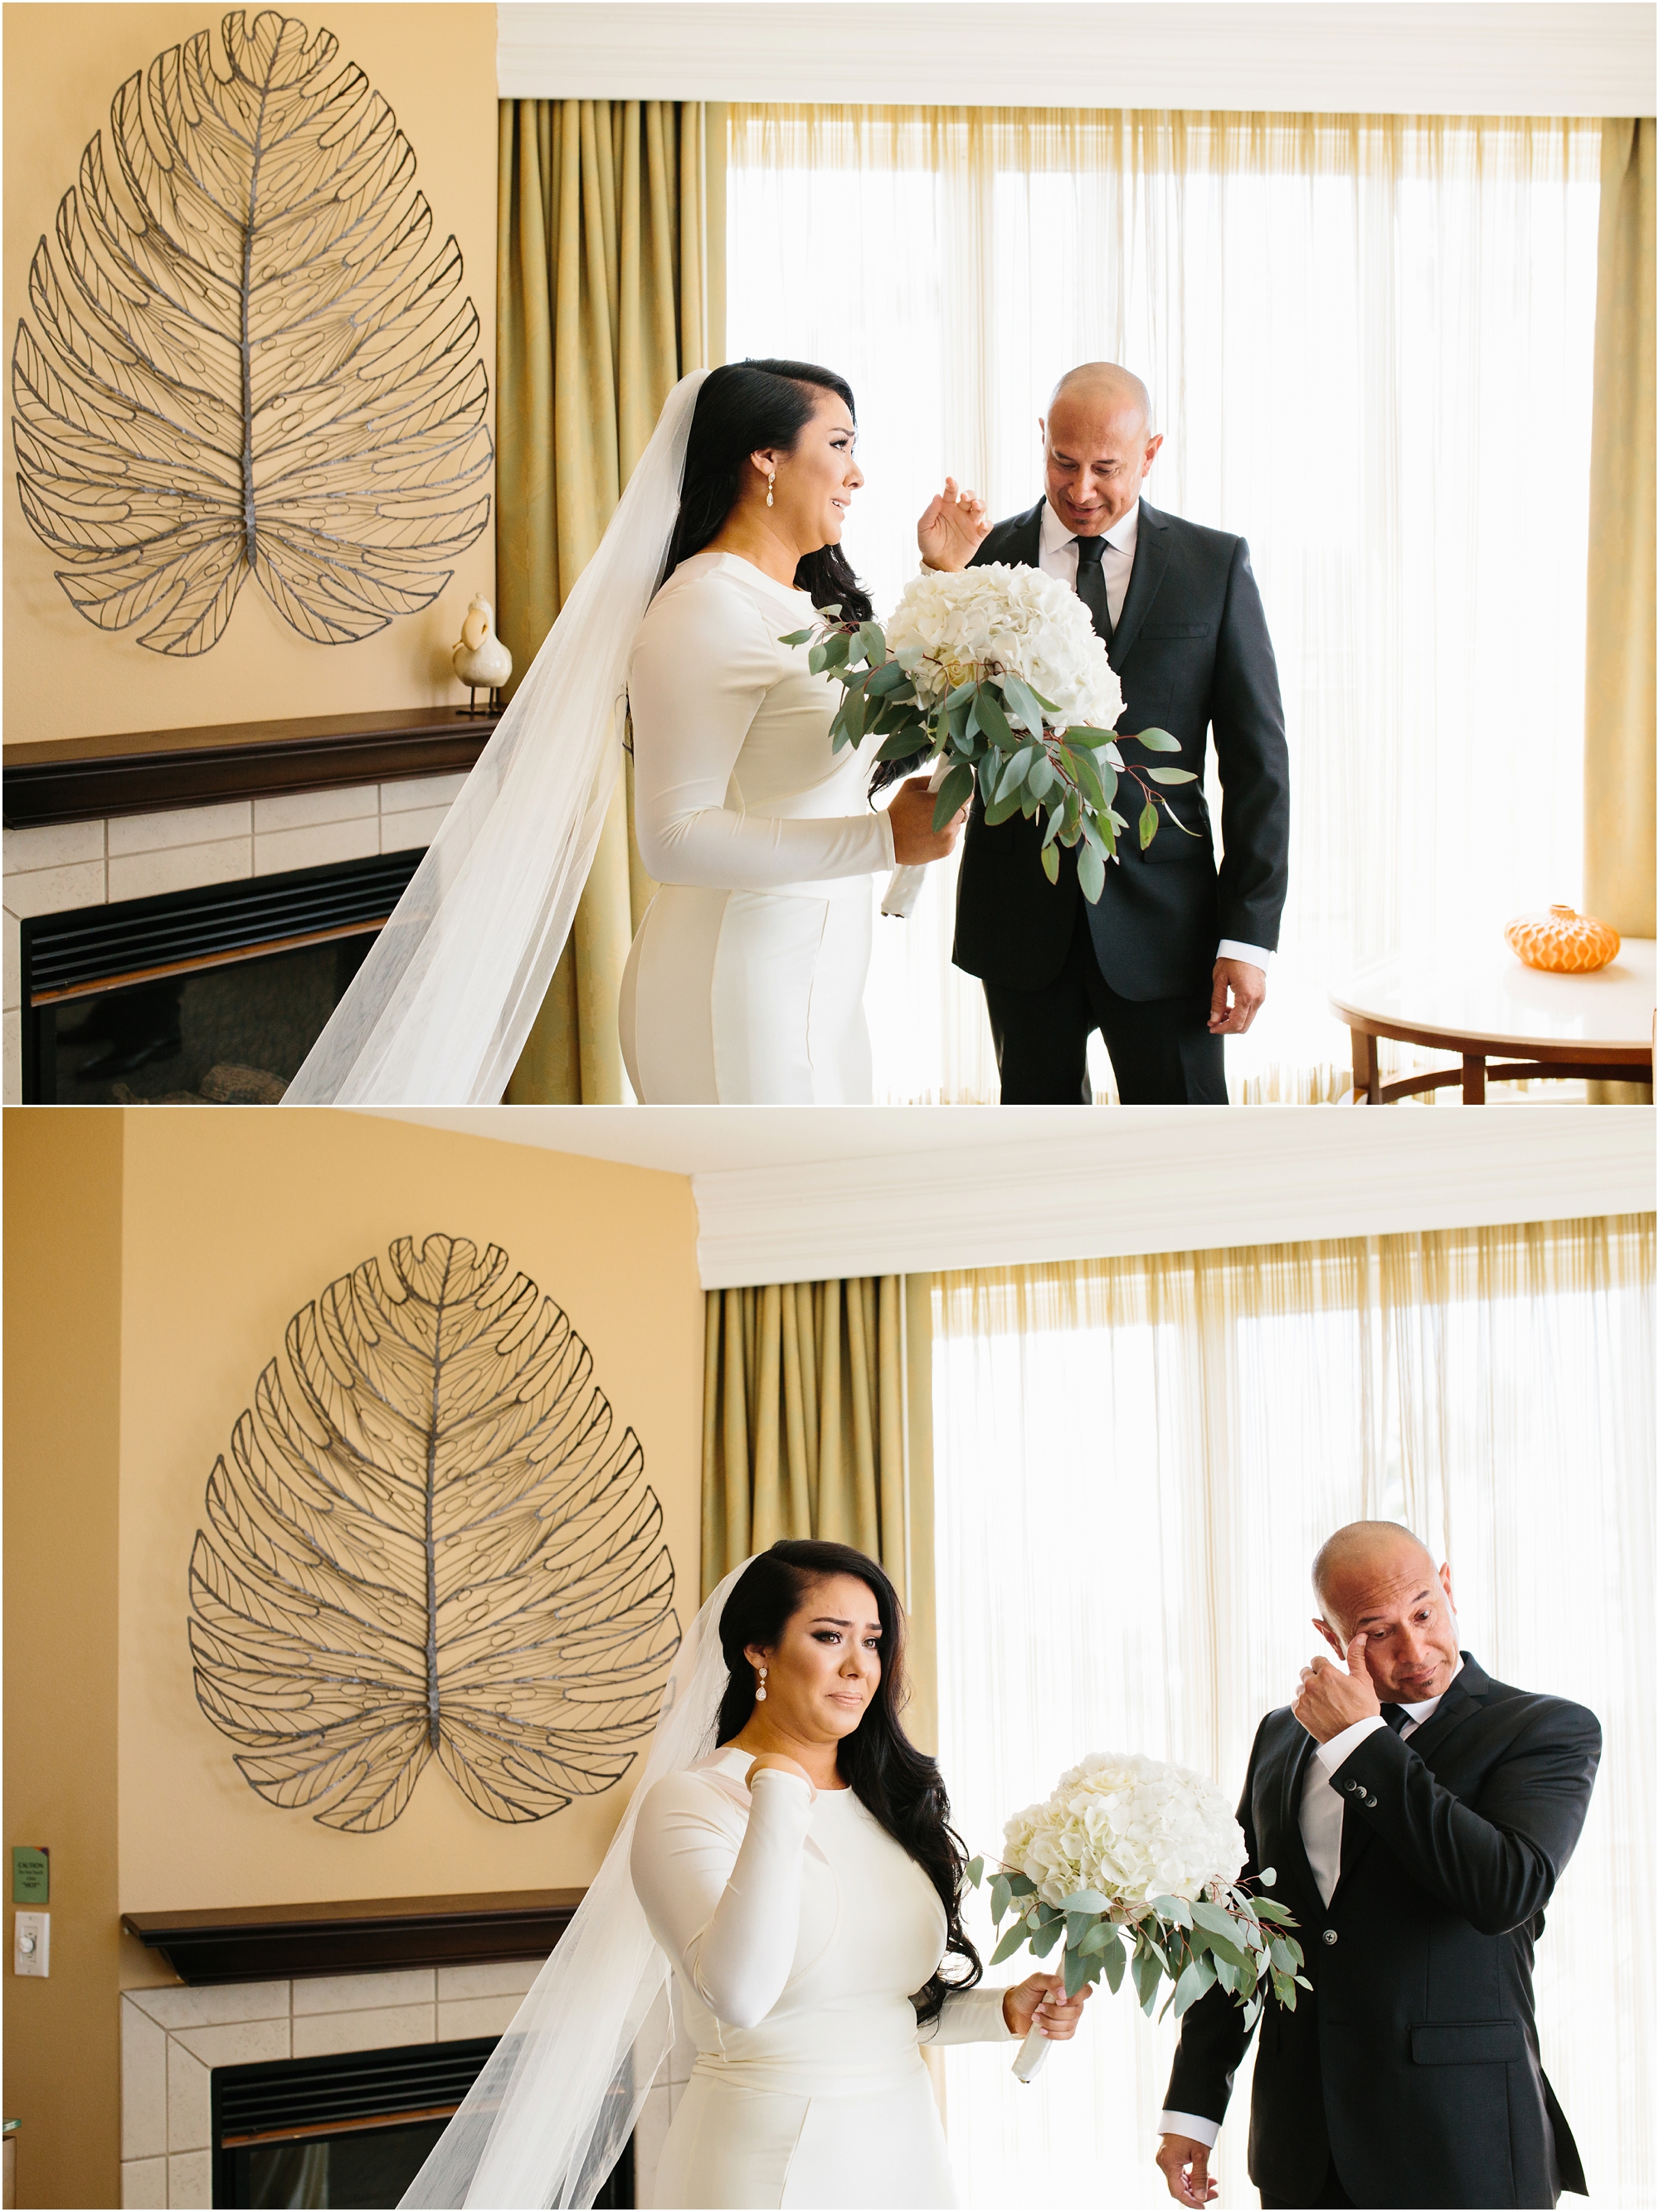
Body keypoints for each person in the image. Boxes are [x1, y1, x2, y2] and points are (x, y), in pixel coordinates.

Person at [1154, 1521, 1600, 2210]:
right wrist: (1192, 2106)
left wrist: (1361, 1738)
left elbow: (1503, 1888)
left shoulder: (1544, 1730)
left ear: (1448, 1588)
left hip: (1463, 2147)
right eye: (1377, 1630)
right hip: (1305, 2148)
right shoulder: (1280, 1734)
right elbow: (1239, 1929)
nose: (1415, 1648)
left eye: (1424, 1612)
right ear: (1331, 1636)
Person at [630, 1541, 1087, 2207]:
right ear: (758, 1648)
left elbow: (873, 2005)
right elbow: (740, 1994)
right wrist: (781, 1791)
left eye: (872, 1642)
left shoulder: (887, 1797)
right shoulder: (690, 1802)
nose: (857, 1667)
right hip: (764, 2164)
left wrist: (1002, 2011)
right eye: (828, 1636)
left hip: (903, 2150)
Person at [917, 362, 1291, 1106]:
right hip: (1021, 925)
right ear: (1042, 442)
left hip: (1169, 932)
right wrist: (939, 577)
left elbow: (1259, 767)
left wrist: (1246, 937)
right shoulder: (981, 558)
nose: (1082, 490)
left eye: (1107, 468)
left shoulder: (1214, 567)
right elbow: (939, 730)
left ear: (1151, 453)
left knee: (1188, 1161)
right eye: (1063, 461)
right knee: (1040, 1164)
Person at [620, 361, 964, 1103]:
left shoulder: (795, 606)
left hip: (814, 969)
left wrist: (943, 582)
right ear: (766, 457)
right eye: (839, 444)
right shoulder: (706, 608)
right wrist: (882, 841)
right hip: (737, 980)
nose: (857, 473)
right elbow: (670, 839)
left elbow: (845, 745)